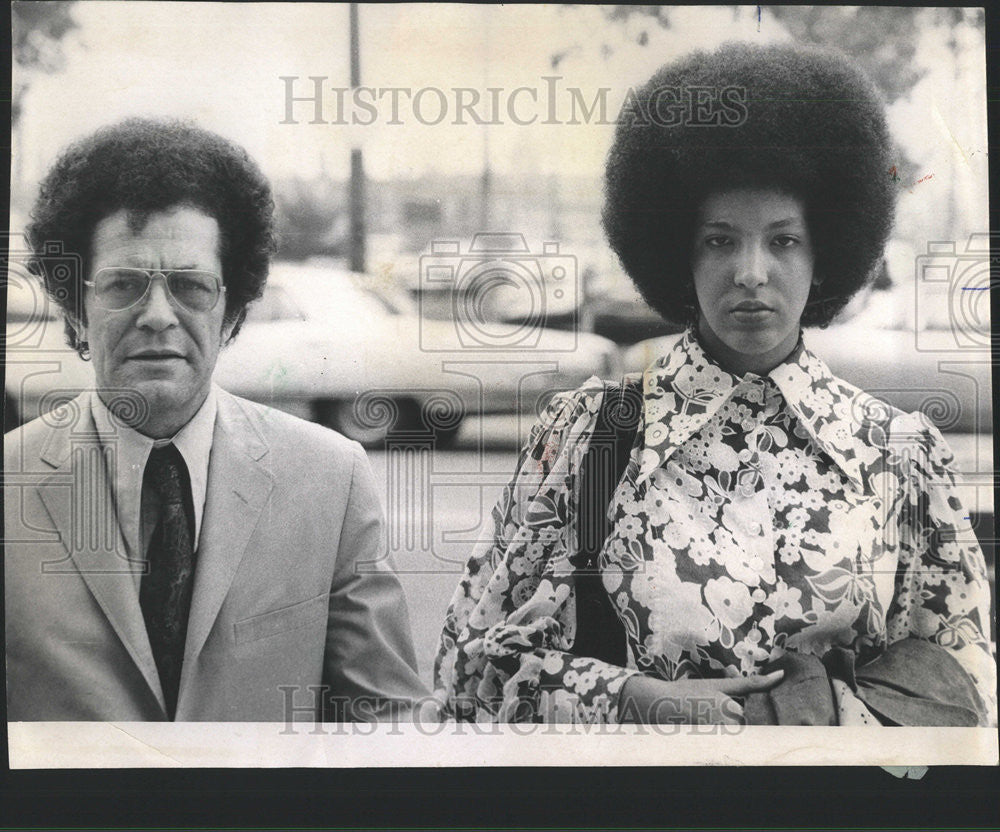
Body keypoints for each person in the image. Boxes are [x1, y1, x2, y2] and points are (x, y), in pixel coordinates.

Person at [434, 42, 996, 725]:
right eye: (720, 240)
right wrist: (637, 700)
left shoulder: (900, 455)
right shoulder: (593, 434)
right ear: (678, 252)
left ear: (826, 257)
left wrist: (817, 717)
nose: (752, 271)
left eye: (783, 241)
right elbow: (469, 672)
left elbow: (960, 692)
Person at [5, 118, 429, 721]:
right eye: (123, 284)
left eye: (191, 286)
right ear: (75, 311)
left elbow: (384, 721)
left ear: (232, 312)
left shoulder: (331, 479)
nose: (157, 315)